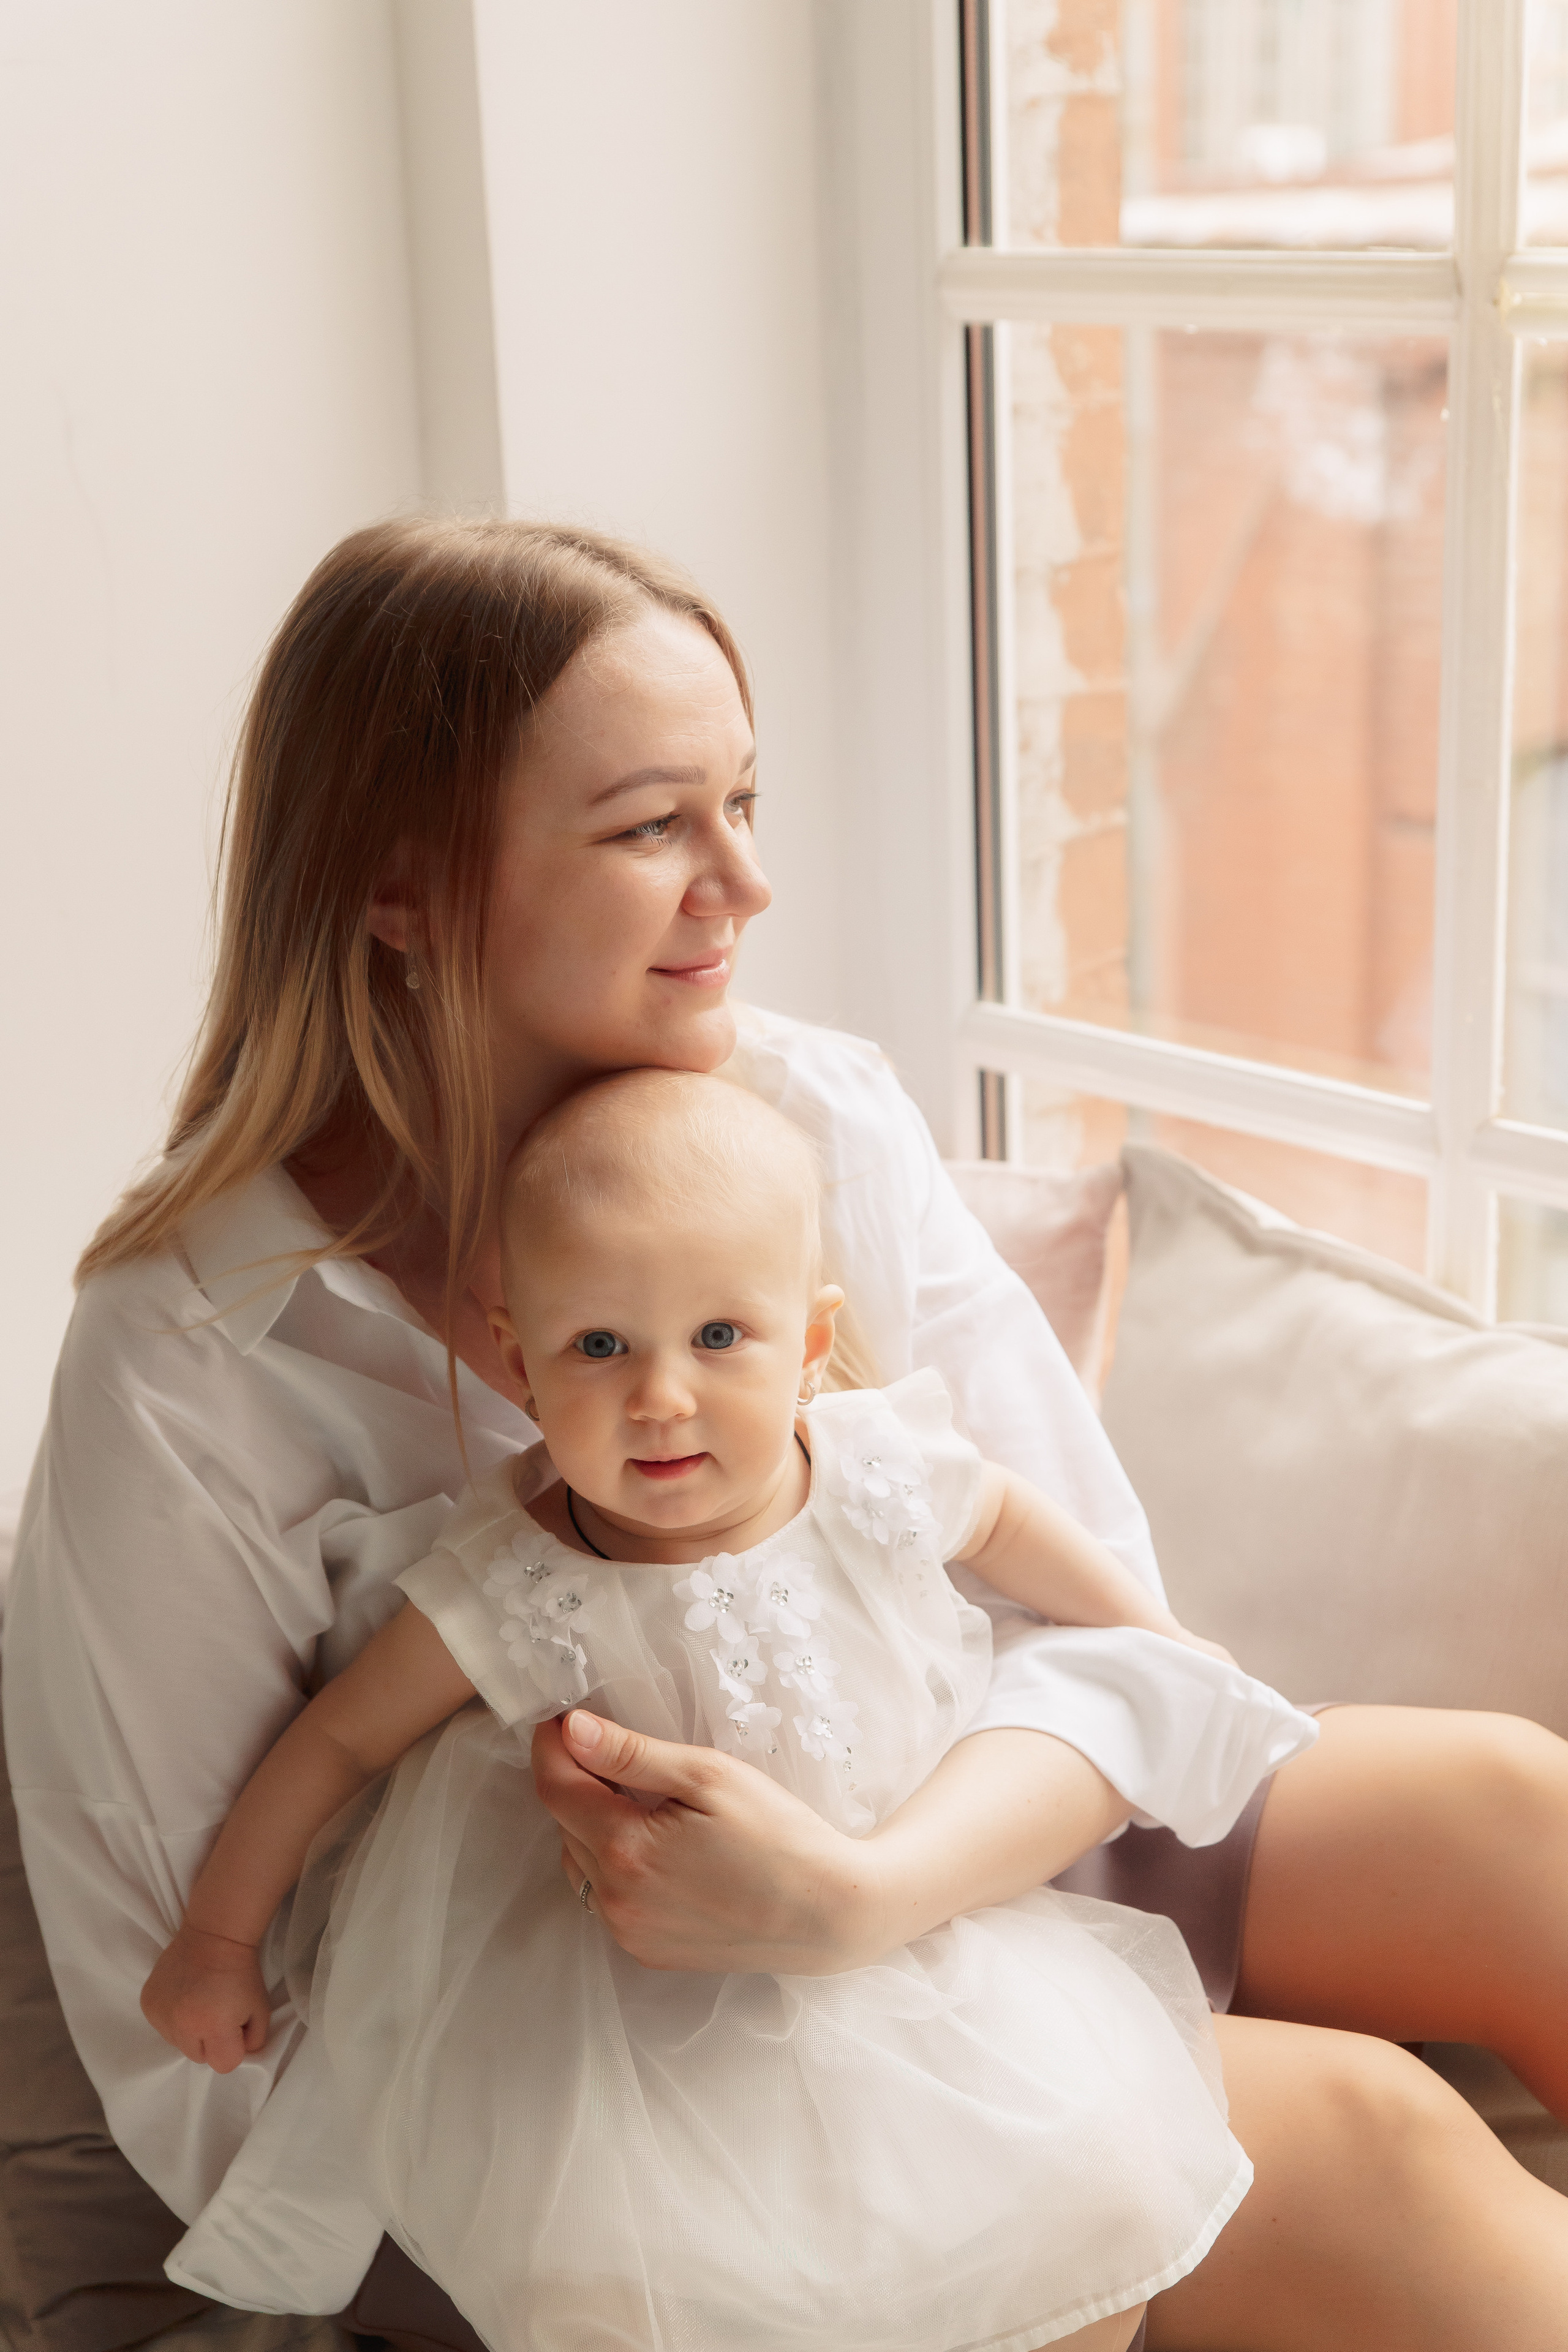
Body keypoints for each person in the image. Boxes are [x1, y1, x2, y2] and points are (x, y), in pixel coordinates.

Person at [10, 515, 1568, 2352]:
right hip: (625, 2091)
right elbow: (192, 2061)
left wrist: (868, 1894)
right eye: (654, 824)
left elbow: (1100, 1630)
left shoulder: (809, 1111)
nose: (741, 886)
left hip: (953, 1825)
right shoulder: (195, 1352)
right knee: (1375, 2151)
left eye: (746, 802)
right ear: (400, 885)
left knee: (1514, 1818)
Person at [141, 1068, 1319, 2351]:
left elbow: (1010, 1521)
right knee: (641, 2267)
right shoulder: (522, 1578)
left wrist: (1152, 1636)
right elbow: (341, 1739)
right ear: (514, 1357)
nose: (660, 1399)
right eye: (599, 1346)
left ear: (807, 1344)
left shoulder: (873, 1466)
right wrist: (217, 1941)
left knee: (1071, 2182)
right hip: (632, 1995)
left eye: (717, 1339)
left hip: (905, 1927)